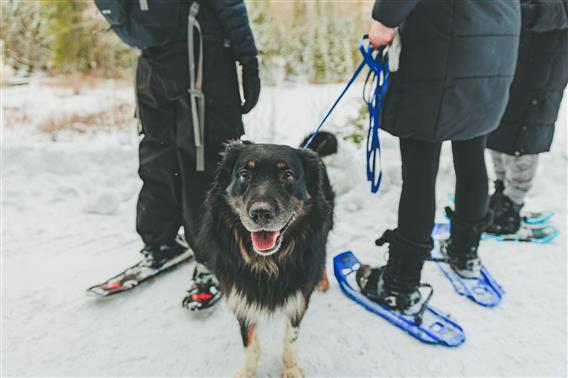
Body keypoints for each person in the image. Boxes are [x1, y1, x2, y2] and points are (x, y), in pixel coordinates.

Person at [356, 0, 520, 315]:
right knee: (472, 155)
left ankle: (400, 286)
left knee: (419, 173)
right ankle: (464, 253)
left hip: (444, 49)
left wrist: (384, 21)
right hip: (495, 46)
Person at [95, 0, 260, 310]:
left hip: (153, 61)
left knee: (159, 154)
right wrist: (248, 59)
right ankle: (211, 255)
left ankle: (161, 242)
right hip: (204, 57)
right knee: (207, 160)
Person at [486, 0, 568, 235]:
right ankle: (500, 192)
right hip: (511, 48)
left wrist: (528, 12)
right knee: (499, 123)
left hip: (546, 57)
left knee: (527, 130)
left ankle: (512, 204)